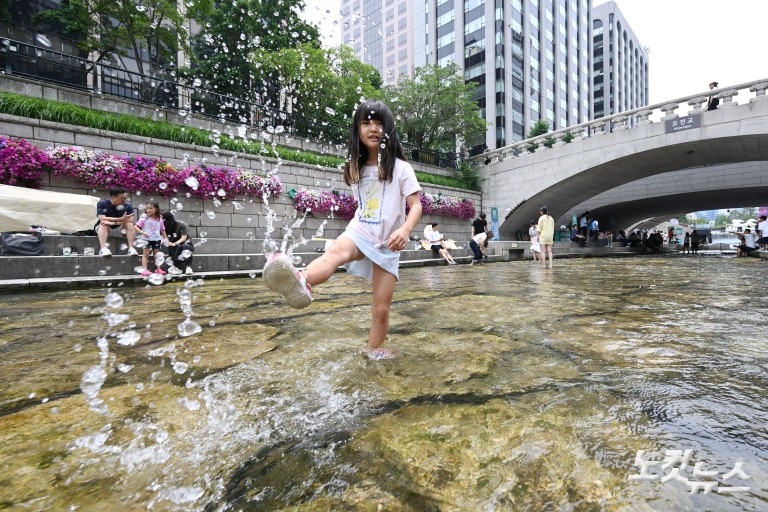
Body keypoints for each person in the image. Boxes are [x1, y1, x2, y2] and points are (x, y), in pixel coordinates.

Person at [262, 100, 422, 360]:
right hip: (360, 231)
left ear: (389, 130)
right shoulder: (355, 167)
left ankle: (374, 349)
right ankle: (301, 280)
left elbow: (416, 206)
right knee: (336, 251)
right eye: (366, 123)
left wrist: (405, 230)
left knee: (381, 308)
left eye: (379, 123)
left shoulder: (401, 168)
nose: (373, 128)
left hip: (388, 244)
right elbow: (364, 206)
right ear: (357, 129)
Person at [95, 188, 138, 257]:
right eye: (122, 198)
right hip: (105, 228)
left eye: (125, 198)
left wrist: (114, 223)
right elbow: (102, 218)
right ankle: (103, 249)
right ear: (113, 197)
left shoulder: (128, 206)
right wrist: (121, 219)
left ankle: (131, 248)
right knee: (104, 223)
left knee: (130, 224)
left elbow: (130, 219)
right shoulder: (102, 203)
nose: (124, 200)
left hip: (121, 229)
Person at [134, 202, 168, 276]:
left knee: (157, 255)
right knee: (146, 254)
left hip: (156, 239)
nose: (148, 210)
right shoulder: (144, 218)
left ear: (156, 209)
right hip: (146, 239)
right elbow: (136, 226)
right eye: (147, 208)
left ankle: (158, 269)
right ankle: (144, 270)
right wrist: (142, 232)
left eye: (150, 208)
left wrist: (166, 239)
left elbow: (162, 230)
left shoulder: (159, 219)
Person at [162, 211, 195, 275]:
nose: (160, 220)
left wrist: (175, 243)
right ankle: (174, 267)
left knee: (185, 246)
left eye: (162, 218)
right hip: (173, 246)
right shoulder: (163, 227)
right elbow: (162, 238)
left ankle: (188, 267)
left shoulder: (182, 224)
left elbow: (184, 238)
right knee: (175, 247)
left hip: (186, 244)